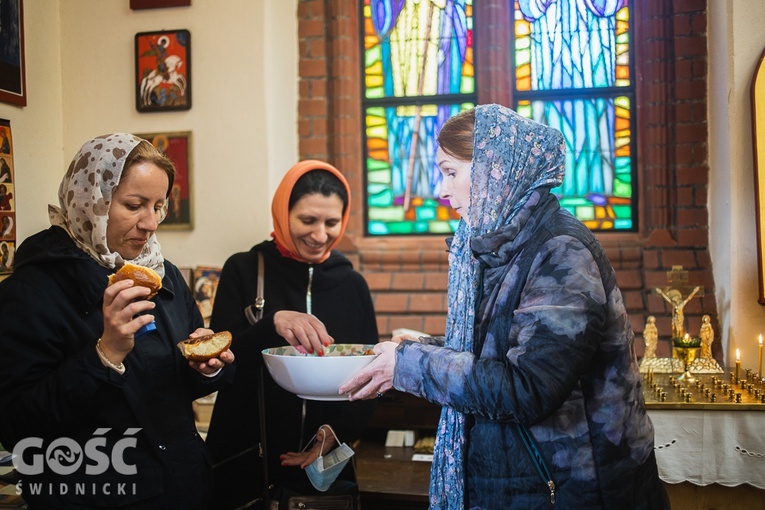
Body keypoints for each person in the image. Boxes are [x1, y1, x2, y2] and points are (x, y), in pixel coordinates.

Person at [340, 105, 668, 509]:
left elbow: (527, 387)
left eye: (450, 172)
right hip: (525, 484)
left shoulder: (560, 252)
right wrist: (425, 347)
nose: (441, 191)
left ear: (496, 169)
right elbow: (504, 345)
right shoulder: (503, 244)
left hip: (573, 491)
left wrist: (413, 363)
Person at [0, 133, 235, 510]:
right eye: (134, 205)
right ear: (89, 200)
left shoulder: (164, 275)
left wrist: (205, 369)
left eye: (159, 206)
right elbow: (17, 425)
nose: (151, 222)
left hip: (184, 488)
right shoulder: (32, 290)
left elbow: (169, 389)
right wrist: (104, 355)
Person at [204, 160, 379, 510]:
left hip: (324, 467)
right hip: (245, 457)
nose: (320, 235)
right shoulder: (244, 269)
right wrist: (271, 324)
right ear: (284, 213)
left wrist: (333, 434)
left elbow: (371, 376)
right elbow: (220, 366)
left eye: (332, 222)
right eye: (307, 220)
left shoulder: (352, 284)